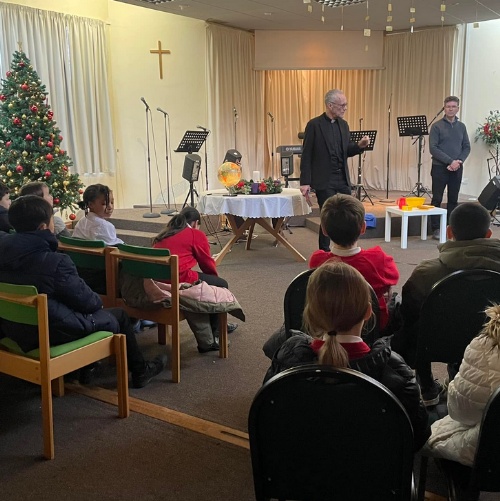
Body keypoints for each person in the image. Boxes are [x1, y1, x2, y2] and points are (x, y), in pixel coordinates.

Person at [0, 195, 167, 388]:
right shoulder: (55, 262)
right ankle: (140, 371)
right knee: (119, 315)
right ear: (43, 227)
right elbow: (90, 303)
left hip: (15, 329)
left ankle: (85, 367)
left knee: (73, 308)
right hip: (50, 332)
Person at [264, 261, 430, 451]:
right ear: (368, 312)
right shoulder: (396, 374)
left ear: (310, 314)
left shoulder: (286, 362)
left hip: (298, 467)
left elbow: (269, 421)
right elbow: (416, 437)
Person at [392, 202, 500, 406]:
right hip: (491, 341)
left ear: (449, 232)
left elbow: (409, 315)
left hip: (436, 342)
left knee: (411, 321)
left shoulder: (425, 273)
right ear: (488, 234)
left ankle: (427, 387)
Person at [423, 304, 500, 466]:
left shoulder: (485, 345)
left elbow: (461, 413)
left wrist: (453, 386)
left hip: (487, 457)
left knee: (430, 436)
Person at [152, 206, 238, 352]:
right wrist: (213, 279)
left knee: (210, 283)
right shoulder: (194, 234)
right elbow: (206, 263)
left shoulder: (165, 233)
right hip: (177, 279)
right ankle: (216, 333)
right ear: (196, 223)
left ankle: (220, 324)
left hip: (158, 281)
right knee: (220, 285)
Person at [308, 193, 399, 331]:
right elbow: (393, 279)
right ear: (363, 228)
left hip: (328, 324)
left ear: (324, 230)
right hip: (370, 328)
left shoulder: (318, 261)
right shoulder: (378, 259)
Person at [299, 89, 370, 251]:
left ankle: (347, 248)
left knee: (349, 214)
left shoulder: (344, 125)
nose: (345, 108)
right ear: (330, 105)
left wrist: (359, 146)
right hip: (325, 180)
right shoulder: (314, 125)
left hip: (342, 178)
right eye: (342, 105)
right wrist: (305, 182)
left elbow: (346, 151)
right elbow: (307, 155)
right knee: (328, 216)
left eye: (346, 105)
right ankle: (324, 251)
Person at [429, 96, 471, 240]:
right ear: (444, 108)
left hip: (457, 167)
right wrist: (450, 161)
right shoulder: (437, 126)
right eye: (448, 107)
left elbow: (466, 147)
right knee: (437, 198)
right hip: (439, 167)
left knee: (453, 199)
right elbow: (433, 148)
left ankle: (450, 227)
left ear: (458, 108)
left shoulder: (462, 127)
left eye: (453, 106)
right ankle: (436, 228)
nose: (450, 109)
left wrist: (458, 161)